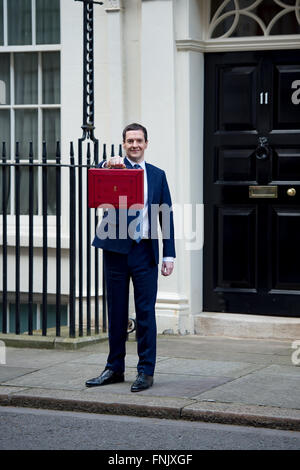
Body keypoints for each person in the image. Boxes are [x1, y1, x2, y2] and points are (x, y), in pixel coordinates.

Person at [85, 123, 175, 392]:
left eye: (139, 140)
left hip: (145, 251)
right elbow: (93, 177)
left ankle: (145, 371)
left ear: (147, 143)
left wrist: (169, 254)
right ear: (123, 144)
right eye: (129, 141)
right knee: (116, 311)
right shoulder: (113, 168)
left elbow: (166, 216)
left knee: (146, 313)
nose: (134, 145)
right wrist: (105, 161)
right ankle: (114, 368)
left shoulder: (158, 175)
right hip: (116, 250)